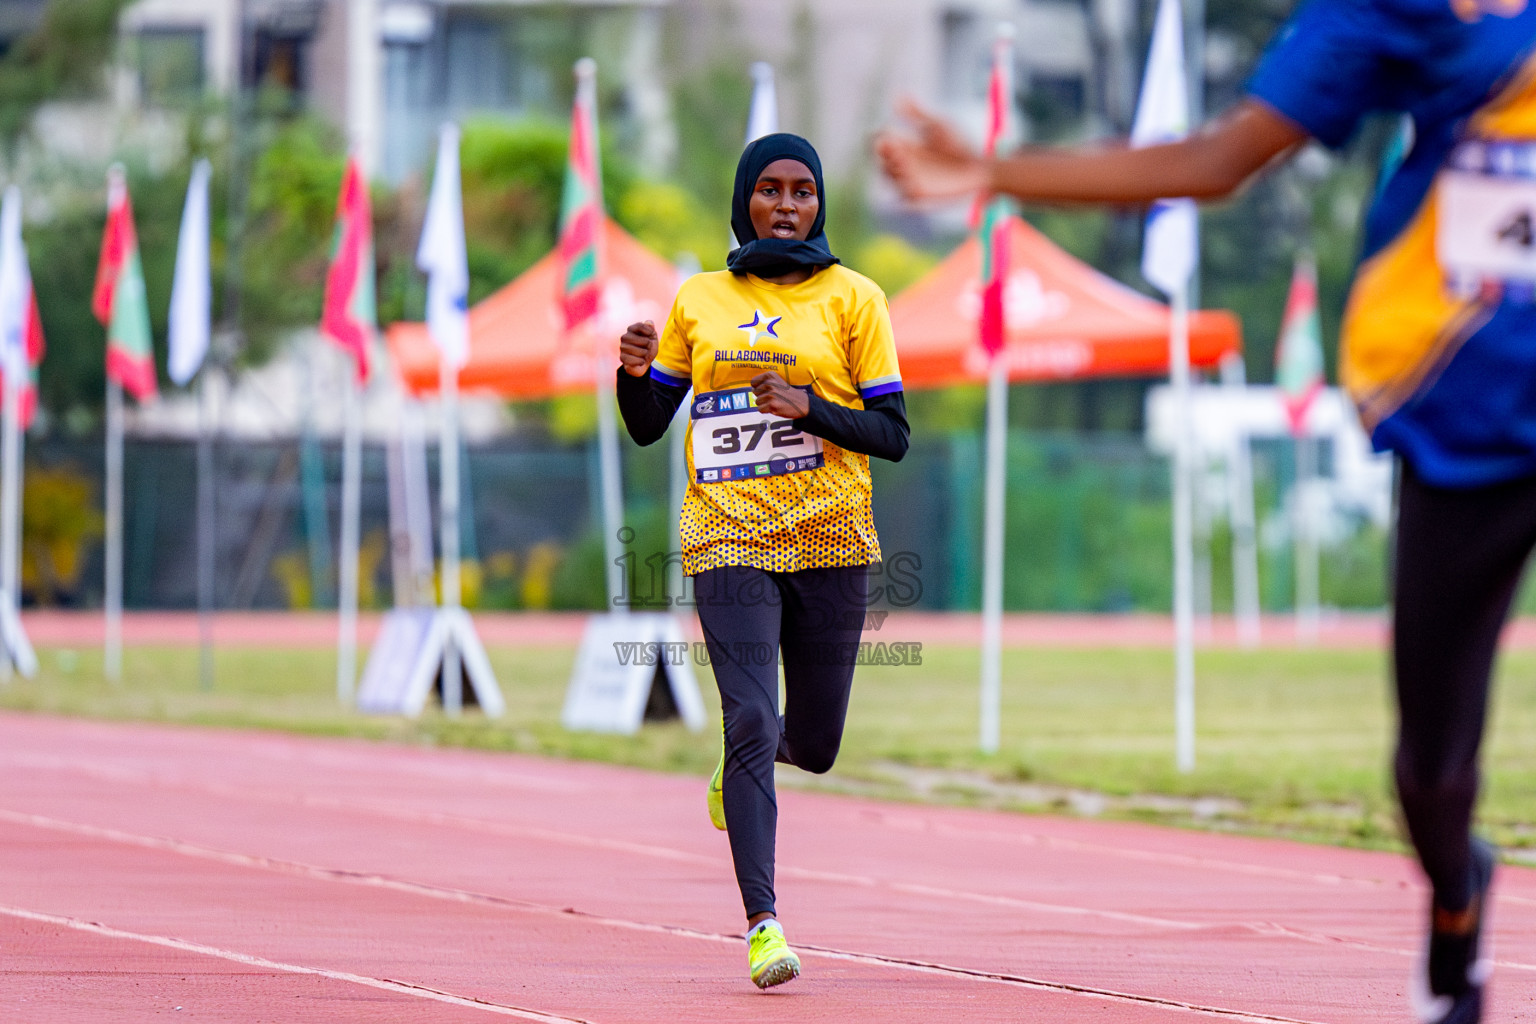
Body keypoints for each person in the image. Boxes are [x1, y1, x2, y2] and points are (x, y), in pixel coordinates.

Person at [878, 3, 1536, 1022]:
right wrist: (999, 172)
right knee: (1432, 771)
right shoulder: (1391, 12)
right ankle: (1458, 895)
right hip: (1467, 411)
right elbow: (1224, 157)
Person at [615, 132, 909, 989]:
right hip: (727, 533)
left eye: (803, 191)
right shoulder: (699, 298)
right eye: (771, 190)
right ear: (744, 198)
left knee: (811, 744)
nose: (787, 204)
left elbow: (893, 435)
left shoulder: (856, 298)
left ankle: (744, 758)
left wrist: (809, 408)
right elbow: (647, 422)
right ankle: (763, 924)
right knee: (749, 717)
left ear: (820, 203)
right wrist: (633, 375)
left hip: (829, 537)